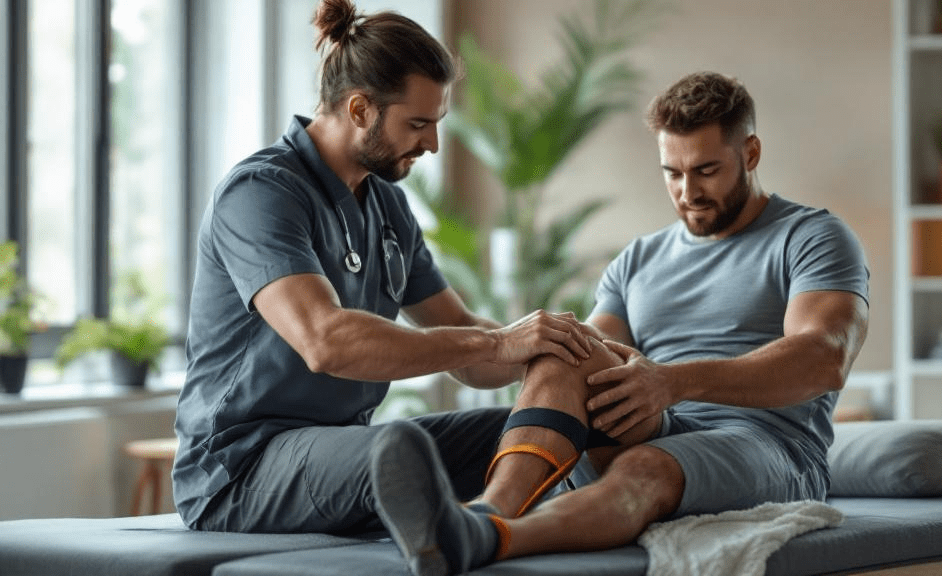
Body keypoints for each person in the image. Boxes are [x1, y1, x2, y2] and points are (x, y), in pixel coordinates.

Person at [369, 71, 870, 576]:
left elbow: (822, 359)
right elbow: (594, 349)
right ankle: (486, 511)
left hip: (767, 442)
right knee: (563, 344)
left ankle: (492, 539)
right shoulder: (639, 259)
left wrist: (672, 381)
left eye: (707, 170)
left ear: (752, 153)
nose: (687, 192)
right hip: (659, 420)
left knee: (645, 465)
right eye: (672, 173)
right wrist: (552, 346)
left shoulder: (811, 237)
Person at [171, 0, 595, 535]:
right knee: (401, 447)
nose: (433, 144)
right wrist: (496, 343)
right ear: (359, 110)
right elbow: (327, 342)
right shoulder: (261, 192)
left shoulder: (387, 206)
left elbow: (465, 342)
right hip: (240, 469)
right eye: (418, 124)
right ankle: (465, 537)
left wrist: (562, 348)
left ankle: (487, 528)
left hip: (343, 453)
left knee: (524, 435)